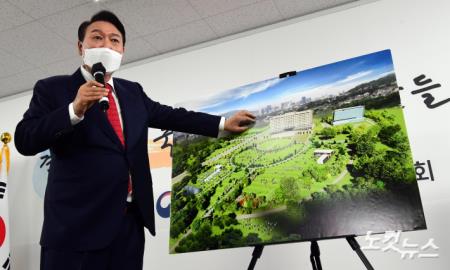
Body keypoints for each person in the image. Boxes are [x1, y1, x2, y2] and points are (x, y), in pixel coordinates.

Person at [14, 10, 255, 270]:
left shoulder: (132, 92)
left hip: (128, 227)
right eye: (97, 37)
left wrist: (221, 124)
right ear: (81, 47)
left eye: (114, 40)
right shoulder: (52, 89)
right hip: (75, 231)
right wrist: (74, 109)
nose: (106, 45)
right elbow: (25, 139)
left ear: (122, 51)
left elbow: (172, 116)